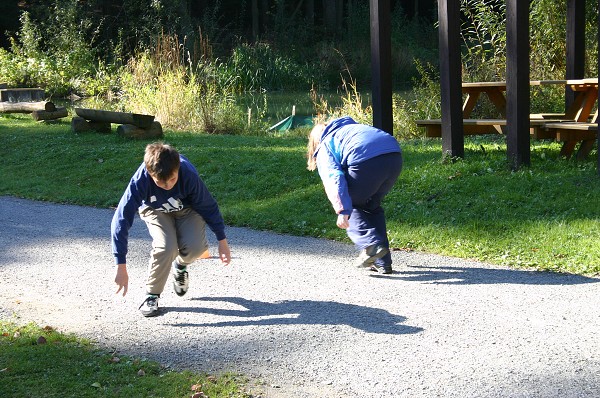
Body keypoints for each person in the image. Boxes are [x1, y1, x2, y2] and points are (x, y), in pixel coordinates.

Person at [111, 142, 231, 317]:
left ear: (178, 168)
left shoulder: (188, 174)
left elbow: (208, 206)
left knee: (196, 248)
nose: (168, 186)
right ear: (149, 173)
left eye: (173, 179)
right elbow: (121, 219)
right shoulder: (140, 181)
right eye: (161, 182)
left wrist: (222, 240)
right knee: (166, 247)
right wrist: (120, 265)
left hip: (187, 209)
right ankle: (152, 295)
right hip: (154, 209)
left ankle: (180, 266)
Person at [307, 116, 402, 274]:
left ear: (314, 142)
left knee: (354, 204)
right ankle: (382, 262)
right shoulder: (352, 130)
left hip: (366, 160)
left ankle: (372, 247)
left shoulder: (326, 144)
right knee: (370, 205)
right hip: (394, 156)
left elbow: (334, 178)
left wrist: (343, 210)